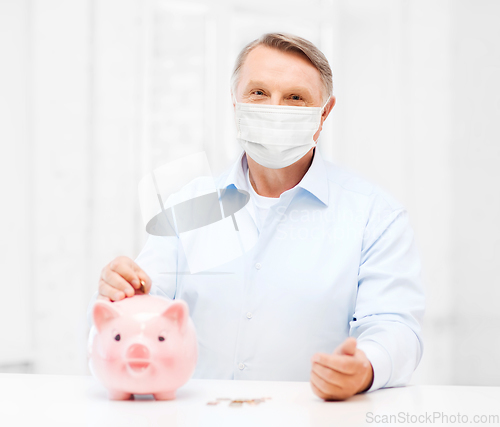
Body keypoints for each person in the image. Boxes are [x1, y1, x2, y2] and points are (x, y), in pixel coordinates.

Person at [87, 32, 425, 401]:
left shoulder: (374, 216)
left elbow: (395, 327)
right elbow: (144, 307)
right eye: (259, 93)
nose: (275, 109)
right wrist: (125, 294)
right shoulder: (190, 207)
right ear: (235, 102)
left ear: (324, 112)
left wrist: (365, 367)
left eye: (295, 98)